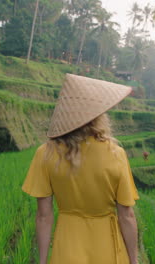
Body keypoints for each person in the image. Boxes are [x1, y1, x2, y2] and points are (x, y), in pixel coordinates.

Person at [22, 74, 140, 264]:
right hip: (107, 249)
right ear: (98, 117)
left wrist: (42, 261)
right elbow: (126, 215)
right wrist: (134, 260)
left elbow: (44, 216)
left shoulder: (45, 153)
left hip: (67, 248)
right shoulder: (115, 154)